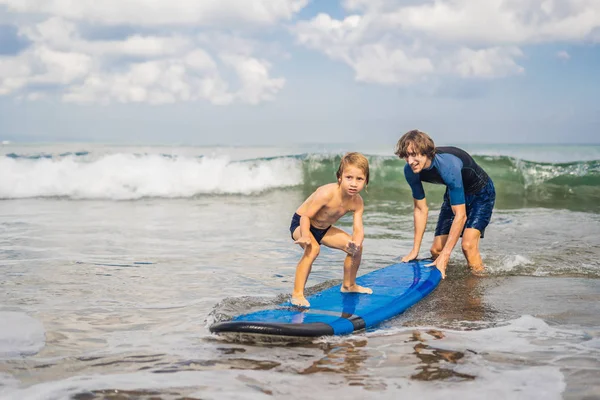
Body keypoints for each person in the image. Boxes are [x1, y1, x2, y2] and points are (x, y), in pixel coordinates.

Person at [395, 130, 495, 279]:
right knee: (436, 250)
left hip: (481, 193)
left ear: (426, 152)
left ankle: (477, 287)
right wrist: (415, 250)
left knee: (468, 246)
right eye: (406, 156)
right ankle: (452, 277)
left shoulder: (448, 166)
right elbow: (420, 209)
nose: (410, 161)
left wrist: (446, 256)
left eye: (414, 154)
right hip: (454, 193)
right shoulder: (410, 171)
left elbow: (460, 216)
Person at [289, 152, 373, 307]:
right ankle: (297, 295)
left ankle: (349, 285)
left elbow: (358, 228)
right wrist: (306, 236)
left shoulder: (357, 202)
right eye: (349, 178)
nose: (354, 183)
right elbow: (305, 217)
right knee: (312, 249)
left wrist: (357, 243)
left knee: (355, 248)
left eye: (359, 179)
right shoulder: (326, 193)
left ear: (366, 181)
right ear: (339, 177)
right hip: (301, 224)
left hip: (324, 228)